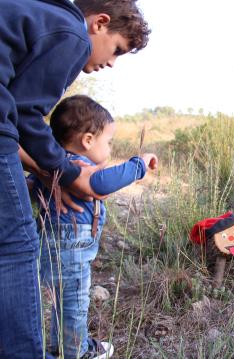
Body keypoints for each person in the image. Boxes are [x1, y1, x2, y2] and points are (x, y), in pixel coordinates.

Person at [0, 0, 150, 358]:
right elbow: (24, 114)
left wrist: (46, 168)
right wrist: (70, 173)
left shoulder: (35, 14)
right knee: (15, 247)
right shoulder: (71, 34)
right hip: (72, 256)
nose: (111, 62)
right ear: (99, 23)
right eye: (116, 49)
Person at [29, 95, 158, 358]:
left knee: (62, 302)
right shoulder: (78, 169)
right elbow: (101, 183)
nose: (110, 149)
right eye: (108, 142)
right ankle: (75, 352)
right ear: (87, 140)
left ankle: (62, 346)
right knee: (74, 302)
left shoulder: (54, 164)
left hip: (52, 242)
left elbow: (32, 187)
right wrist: (139, 164)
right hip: (72, 243)